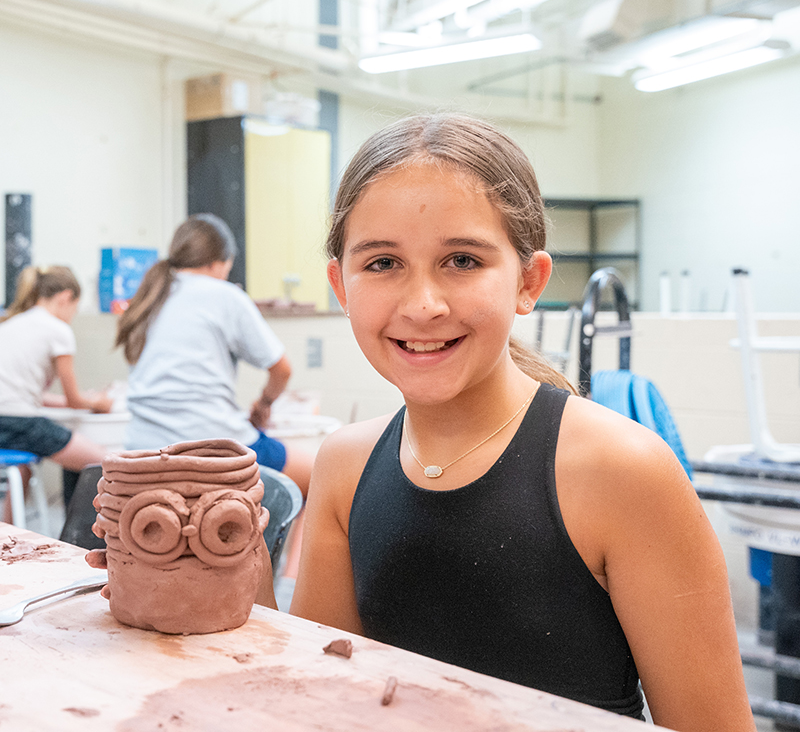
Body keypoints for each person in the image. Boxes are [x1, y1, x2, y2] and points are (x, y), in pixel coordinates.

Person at [280, 114, 754, 730]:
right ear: (340, 285)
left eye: (462, 260)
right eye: (382, 264)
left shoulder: (619, 471)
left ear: (529, 282)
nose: (424, 304)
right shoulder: (345, 466)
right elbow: (326, 697)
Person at [115, 213, 313, 497]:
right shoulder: (225, 295)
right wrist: (263, 404)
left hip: (143, 450)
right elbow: (282, 369)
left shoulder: (148, 298)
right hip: (211, 447)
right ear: (219, 263)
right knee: (321, 482)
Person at [0, 266, 111, 523]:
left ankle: (6, 534)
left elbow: (31, 394)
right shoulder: (58, 330)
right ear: (65, 297)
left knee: (24, 468)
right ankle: (77, 538)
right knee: (103, 462)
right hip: (19, 422)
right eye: (74, 308)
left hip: (6, 421)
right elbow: (74, 401)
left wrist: (85, 400)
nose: (72, 316)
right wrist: (97, 402)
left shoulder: (10, 324)